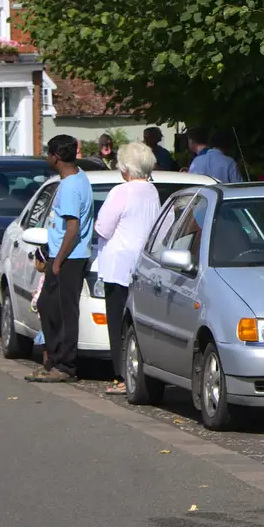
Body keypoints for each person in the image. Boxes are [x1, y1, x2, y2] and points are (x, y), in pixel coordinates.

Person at [92, 142, 161, 394]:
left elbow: (103, 228)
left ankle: (122, 374)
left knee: (117, 321)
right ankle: (139, 372)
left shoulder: (121, 191)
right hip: (145, 264)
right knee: (138, 322)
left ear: (126, 168)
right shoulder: (152, 191)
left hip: (119, 265)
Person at [28, 135, 95, 384]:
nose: (48, 158)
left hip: (69, 257)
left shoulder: (69, 187)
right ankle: (53, 359)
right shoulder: (76, 177)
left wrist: (57, 262)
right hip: (65, 255)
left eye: (48, 154)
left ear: (56, 156)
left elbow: (73, 228)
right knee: (48, 305)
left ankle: (65, 364)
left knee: (64, 312)